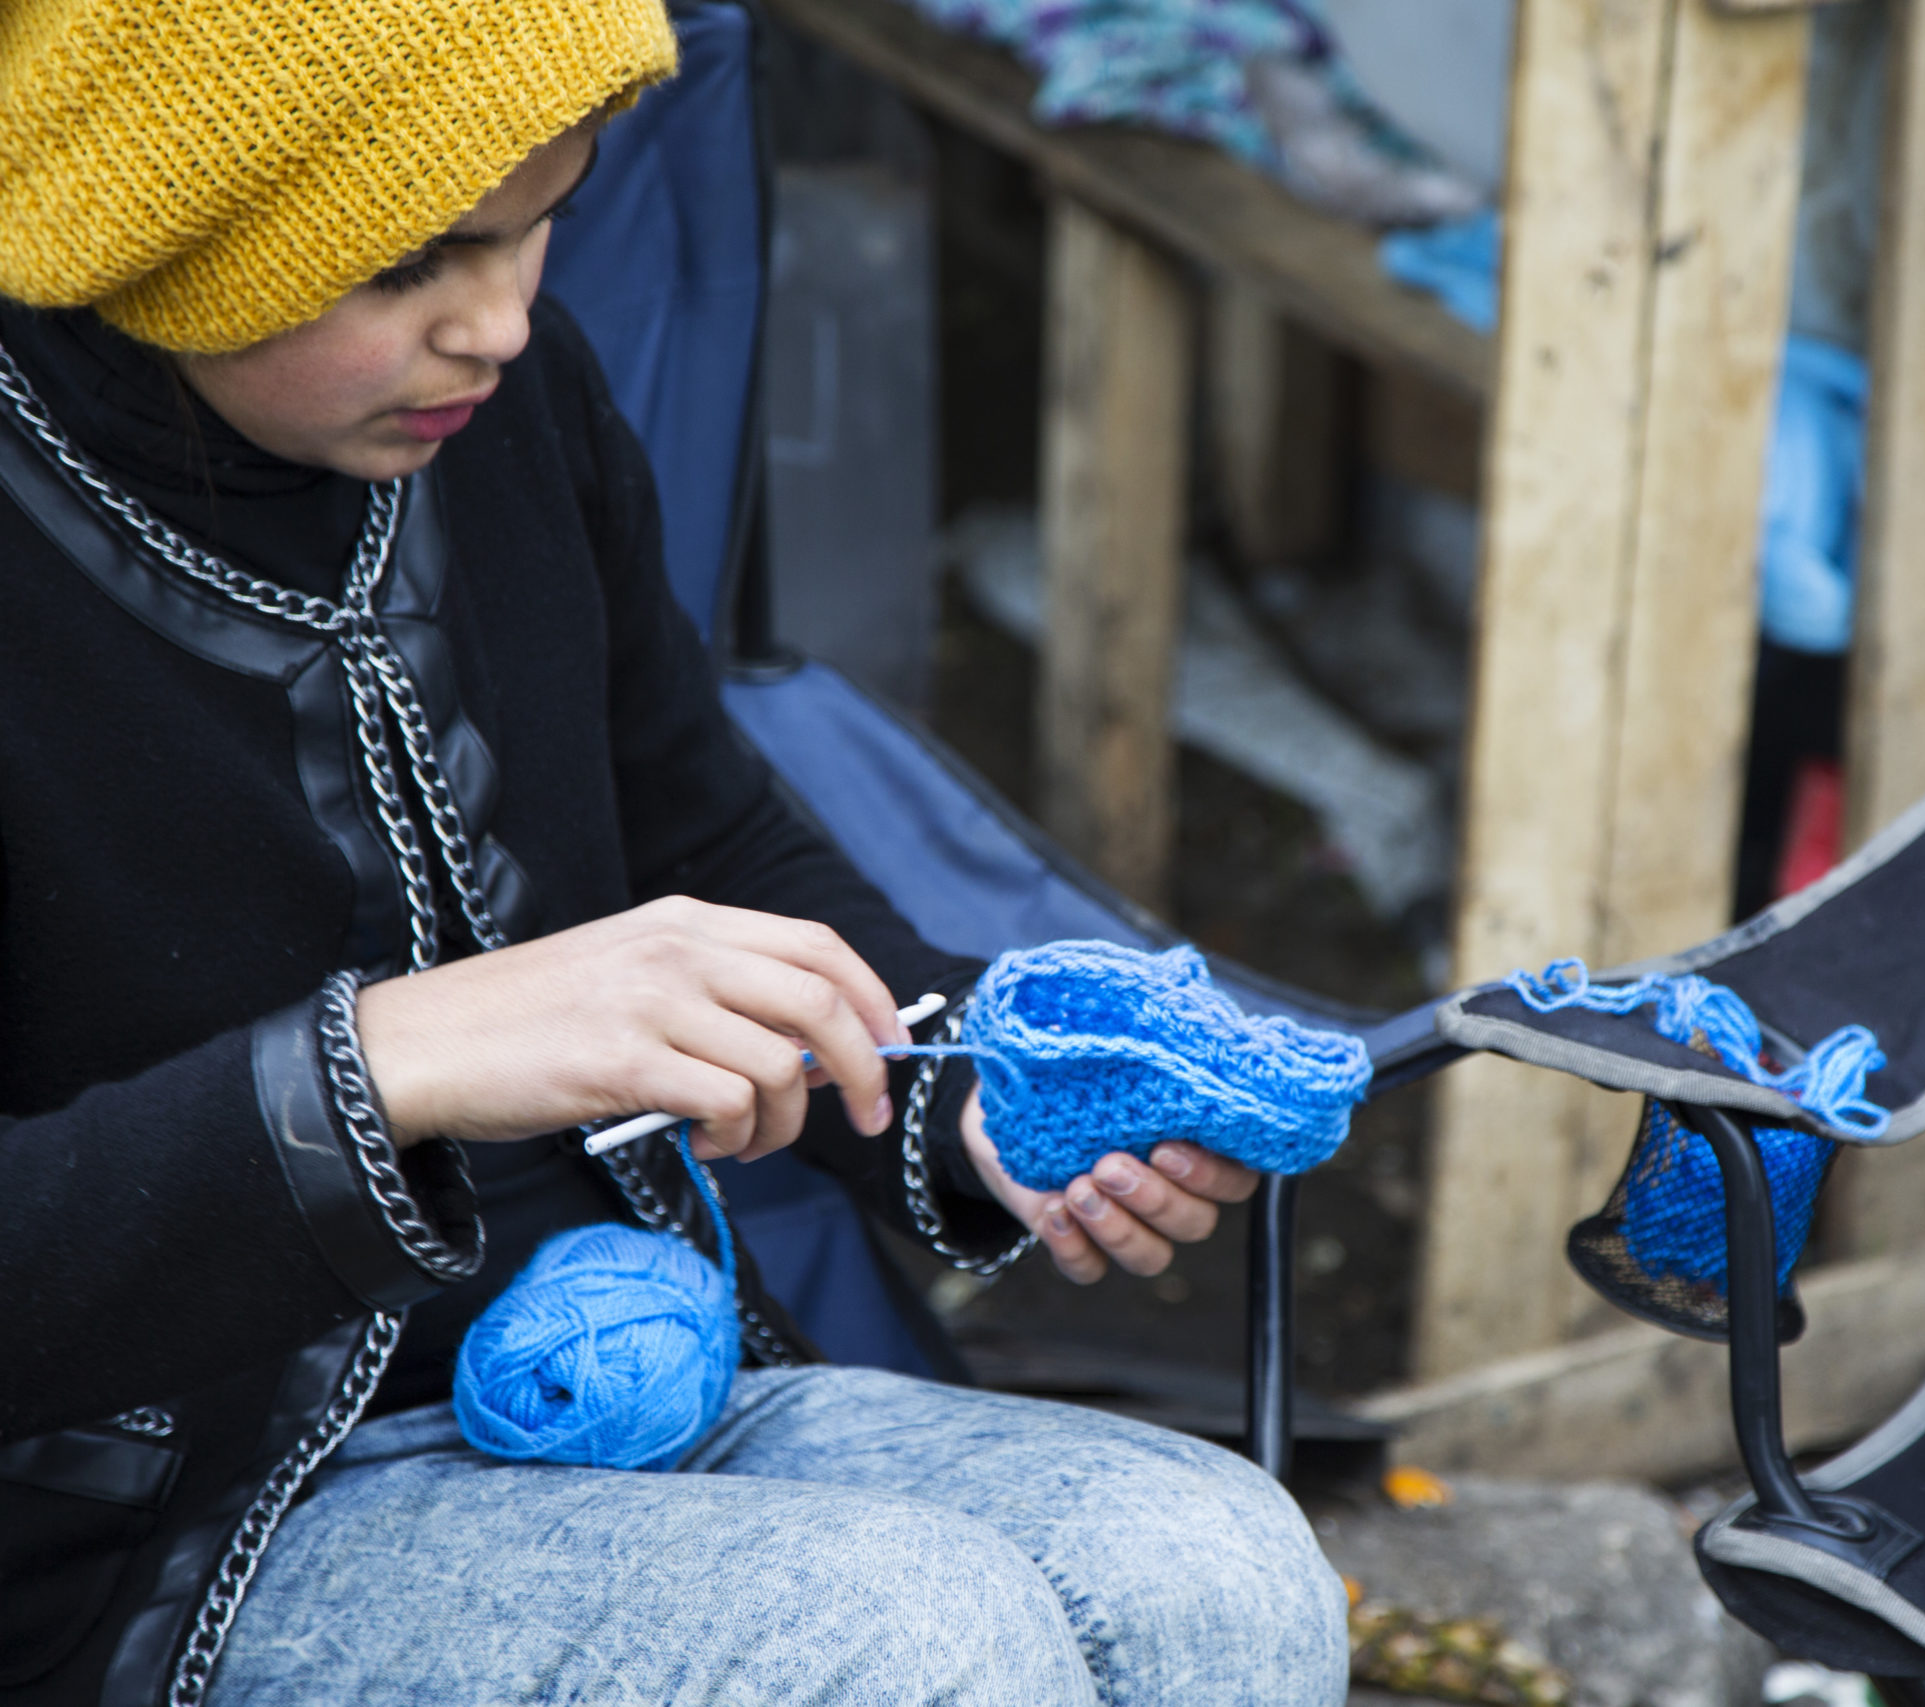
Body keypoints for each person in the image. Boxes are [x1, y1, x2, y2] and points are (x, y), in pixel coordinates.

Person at [0, 3, 1348, 1703]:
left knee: (1216, 1570)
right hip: (153, 1523)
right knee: (899, 1645)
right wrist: (383, 1062)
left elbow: (696, 829)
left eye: (546, 214)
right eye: (416, 260)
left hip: (612, 1370)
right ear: (173, 222)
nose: (500, 321)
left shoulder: (508, 413)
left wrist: (950, 1091)